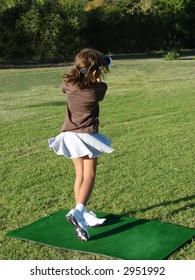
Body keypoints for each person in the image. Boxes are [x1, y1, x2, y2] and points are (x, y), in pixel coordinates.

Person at [48, 48, 114, 241]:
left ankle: (82, 217)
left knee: (80, 175)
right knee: (90, 175)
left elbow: (77, 77)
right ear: (95, 71)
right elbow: (98, 80)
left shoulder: (69, 84)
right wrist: (97, 72)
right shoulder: (98, 90)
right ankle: (78, 211)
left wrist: (89, 69)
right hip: (86, 136)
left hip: (69, 135)